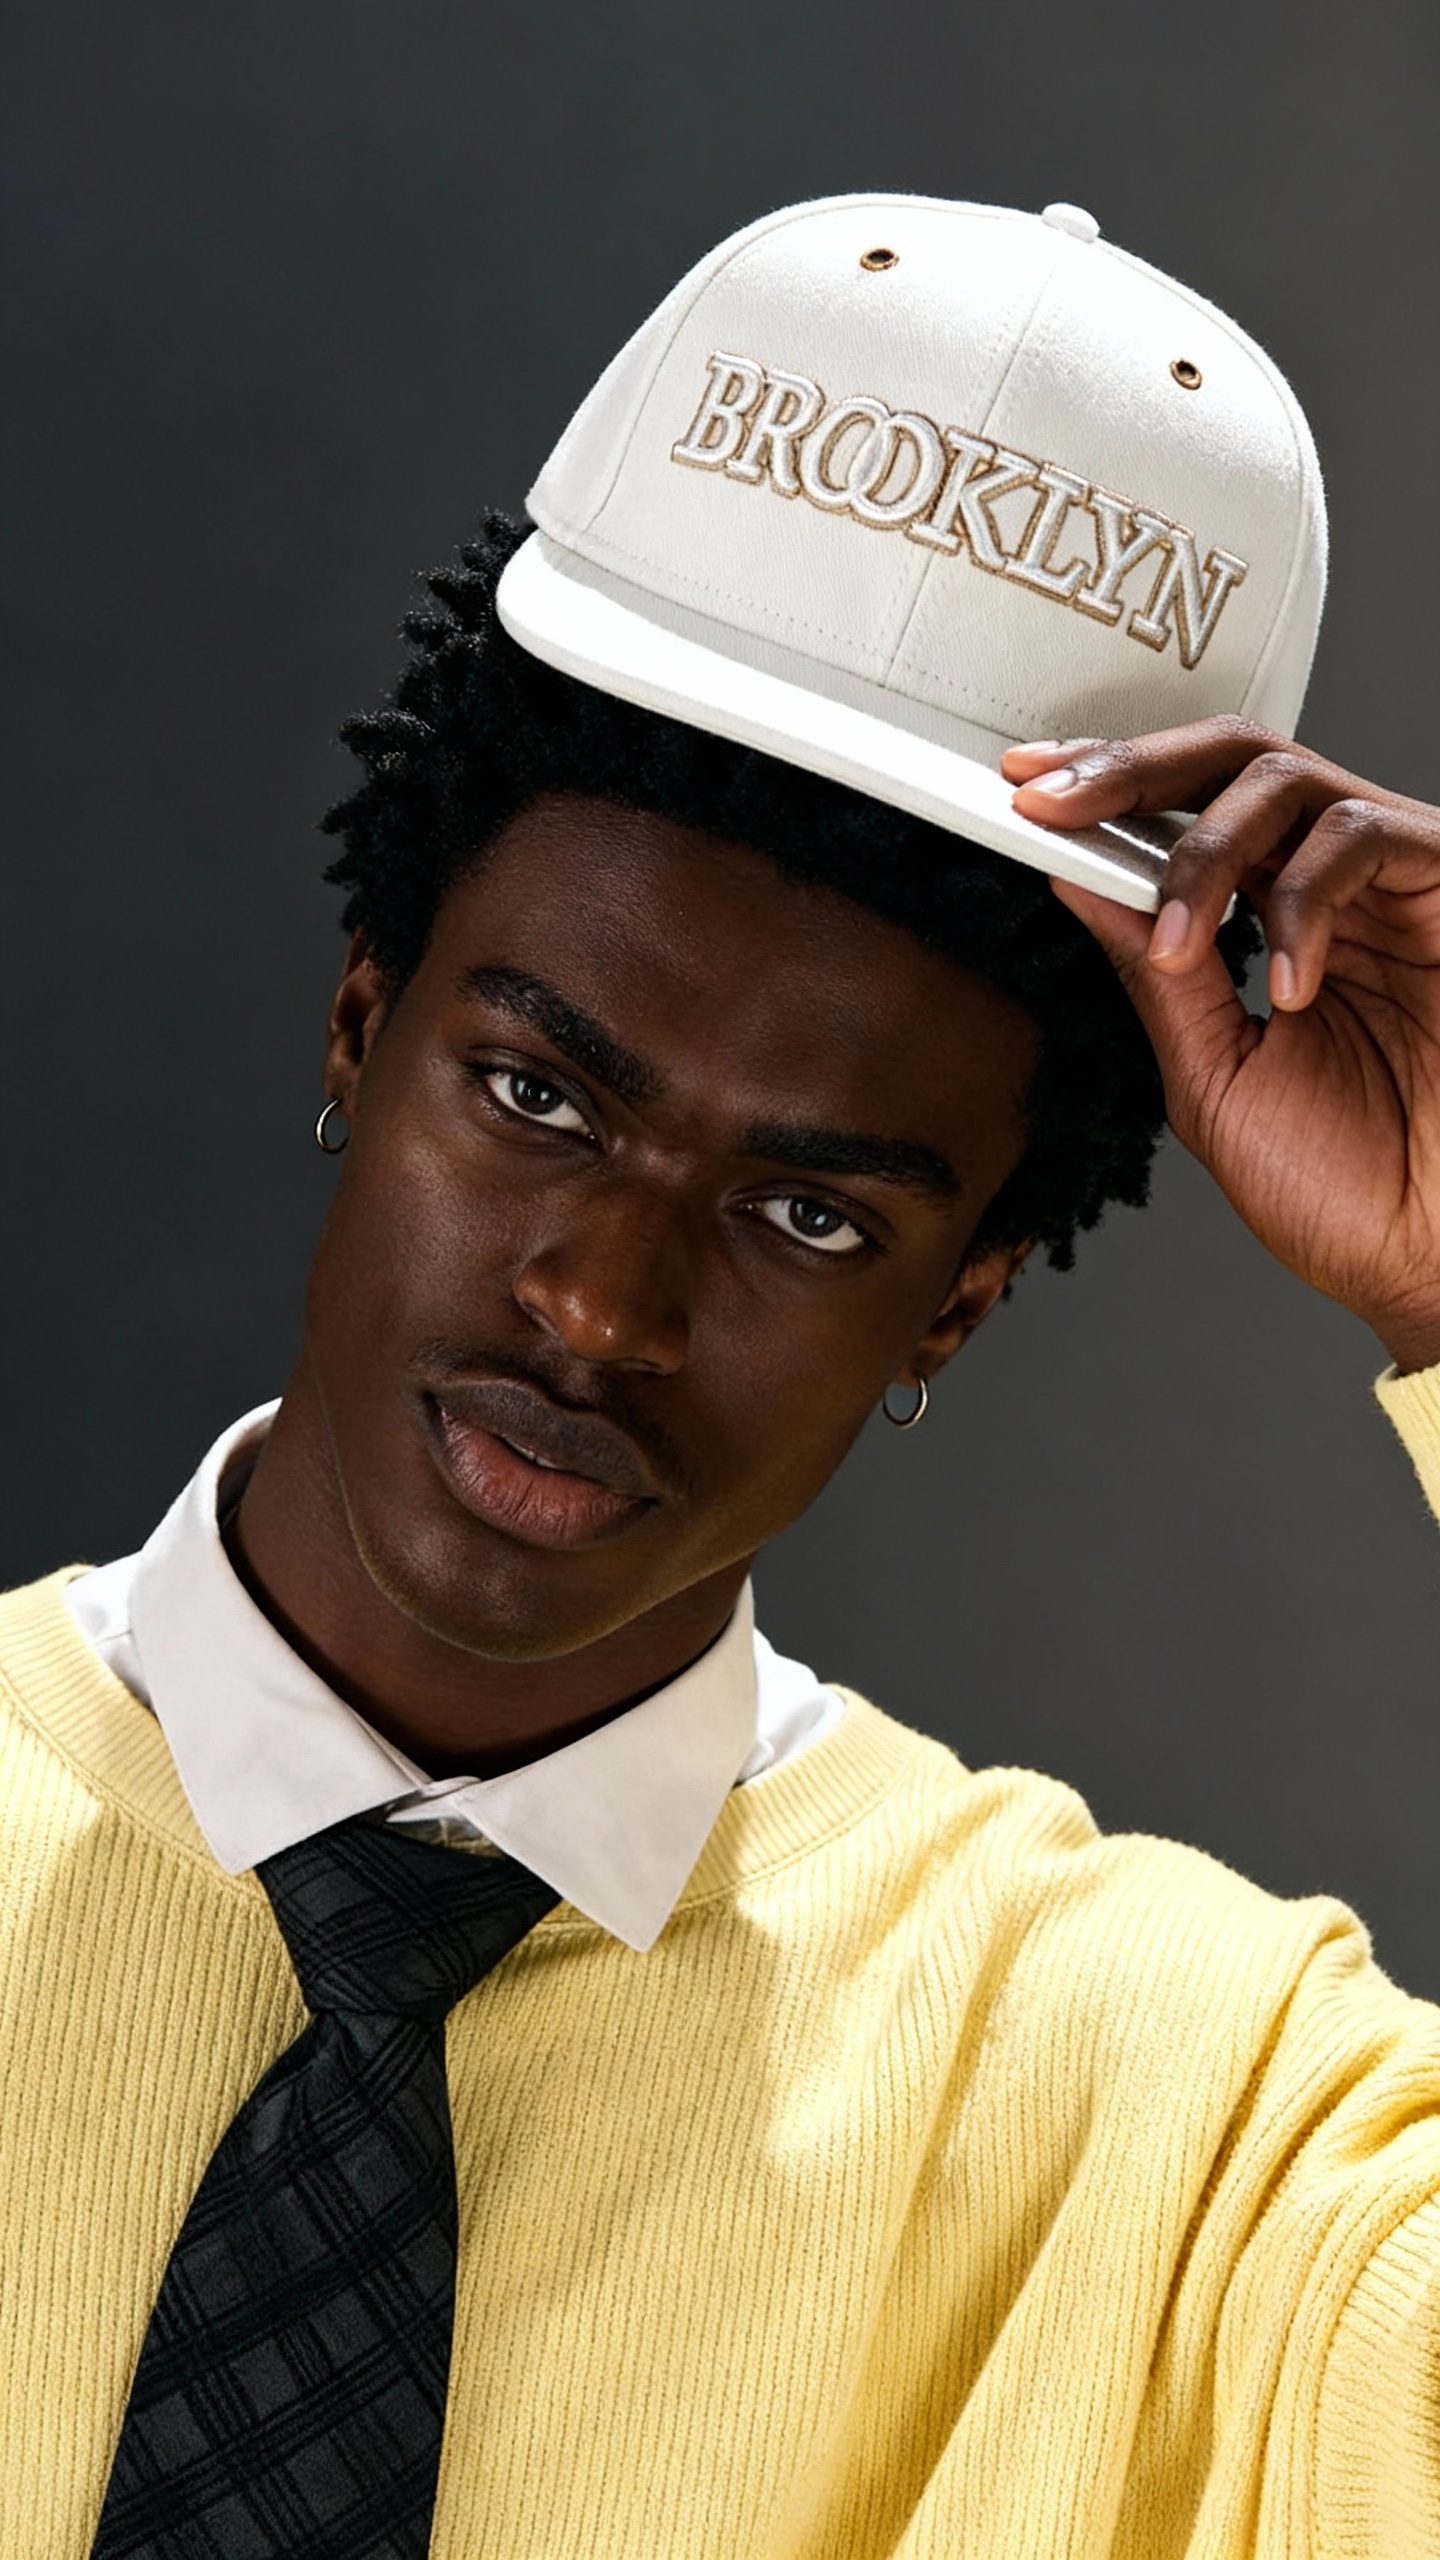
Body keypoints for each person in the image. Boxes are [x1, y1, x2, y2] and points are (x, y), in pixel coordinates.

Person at [8, 191, 1440, 2559]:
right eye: (541, 1095)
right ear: (363, 1024)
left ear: (959, 1298)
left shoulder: (1208, 2145)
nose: (601, 1306)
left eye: (811, 1213)